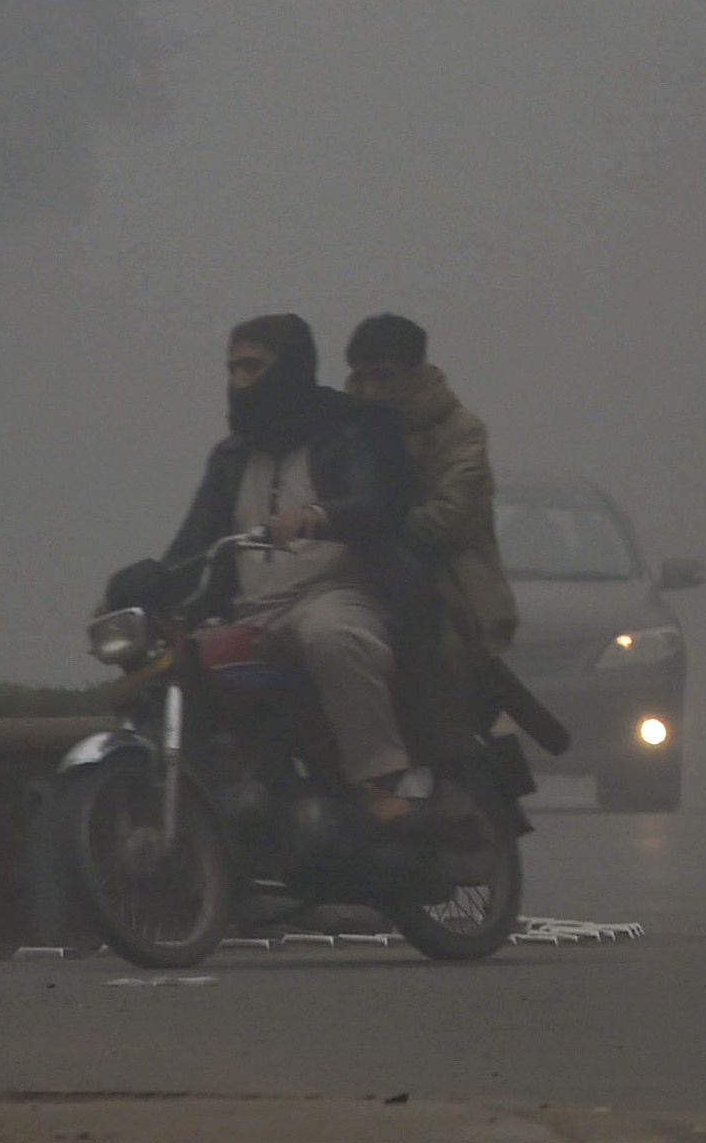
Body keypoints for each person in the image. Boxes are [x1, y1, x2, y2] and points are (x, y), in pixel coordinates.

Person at [157, 316, 426, 821]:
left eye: (253, 366)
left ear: (291, 368)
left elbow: (381, 500)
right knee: (182, 663)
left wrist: (320, 516)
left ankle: (376, 781)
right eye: (233, 368)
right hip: (252, 609)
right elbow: (194, 543)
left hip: (336, 591)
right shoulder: (232, 457)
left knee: (332, 636)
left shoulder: (353, 428)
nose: (239, 380)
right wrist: (140, 584)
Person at [345, 310, 516, 664]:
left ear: (415, 373)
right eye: (362, 377)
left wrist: (364, 523)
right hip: (352, 577)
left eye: (383, 376)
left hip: (449, 584)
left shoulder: (460, 431)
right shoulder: (343, 430)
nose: (371, 389)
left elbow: (449, 519)